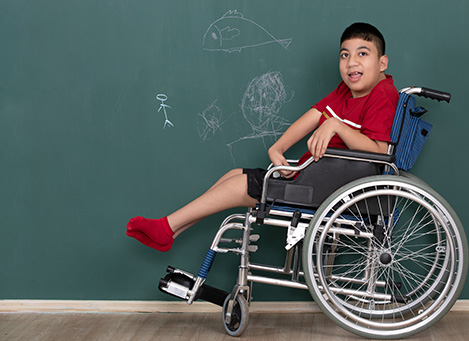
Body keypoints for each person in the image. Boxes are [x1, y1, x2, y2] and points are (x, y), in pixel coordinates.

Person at [126, 22, 399, 252]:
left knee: (241, 186)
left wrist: (337, 127)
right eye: (344, 55)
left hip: (331, 188)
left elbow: (379, 151)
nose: (352, 62)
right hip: (315, 177)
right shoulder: (345, 92)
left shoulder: (382, 95)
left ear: (382, 62)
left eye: (363, 54)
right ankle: (171, 232)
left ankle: (165, 226)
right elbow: (315, 114)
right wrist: (278, 147)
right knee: (234, 175)